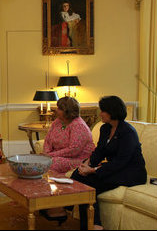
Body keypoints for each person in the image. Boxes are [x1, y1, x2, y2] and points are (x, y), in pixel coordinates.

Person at [71, 96, 147, 230]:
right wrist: (88, 164)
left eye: (103, 111)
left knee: (86, 184)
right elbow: (100, 151)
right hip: (114, 169)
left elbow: (121, 162)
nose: (100, 114)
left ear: (112, 111)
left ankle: (93, 225)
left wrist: (93, 170)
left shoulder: (128, 132)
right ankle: (90, 224)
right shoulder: (105, 128)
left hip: (131, 172)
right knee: (78, 174)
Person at [39, 96, 95, 224]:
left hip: (79, 159)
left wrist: (51, 156)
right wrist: (47, 153)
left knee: (52, 163)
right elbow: (48, 140)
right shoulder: (57, 122)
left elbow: (73, 150)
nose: (56, 110)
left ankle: (58, 207)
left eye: (59, 108)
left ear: (68, 111)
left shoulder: (78, 125)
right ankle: (45, 201)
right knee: (41, 161)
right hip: (59, 155)